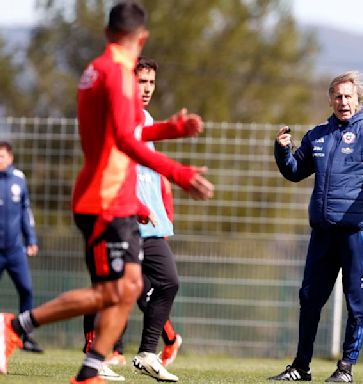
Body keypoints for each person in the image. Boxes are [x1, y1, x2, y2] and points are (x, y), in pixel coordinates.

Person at [0, 2, 214, 383]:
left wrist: (170, 130)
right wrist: (176, 172)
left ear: (106, 33)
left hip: (116, 198)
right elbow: (123, 139)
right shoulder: (116, 74)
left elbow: (130, 132)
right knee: (108, 293)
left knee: (129, 288)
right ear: (141, 37)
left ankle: (90, 370)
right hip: (103, 199)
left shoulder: (99, 70)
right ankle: (15, 328)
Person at [269, 71, 363, 382]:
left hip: (356, 233)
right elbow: (295, 171)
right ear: (330, 99)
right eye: (337, 96)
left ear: (357, 99)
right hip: (322, 234)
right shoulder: (318, 134)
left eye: (348, 96)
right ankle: (301, 367)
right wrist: (282, 150)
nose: (343, 102)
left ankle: (345, 368)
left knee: (356, 302)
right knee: (309, 299)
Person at [83, 56, 186, 382]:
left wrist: (163, 211)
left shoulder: (146, 117)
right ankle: (92, 357)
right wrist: (135, 203)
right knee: (113, 291)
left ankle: (146, 353)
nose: (147, 89)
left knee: (167, 281)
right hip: (121, 219)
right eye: (142, 82)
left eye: (151, 83)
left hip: (149, 224)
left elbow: (151, 170)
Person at [0, 141, 43, 354]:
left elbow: (26, 212)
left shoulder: (19, 179)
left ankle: (26, 336)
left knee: (26, 289)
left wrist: (31, 240)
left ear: (10, 158)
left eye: (1, 156)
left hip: (15, 250)